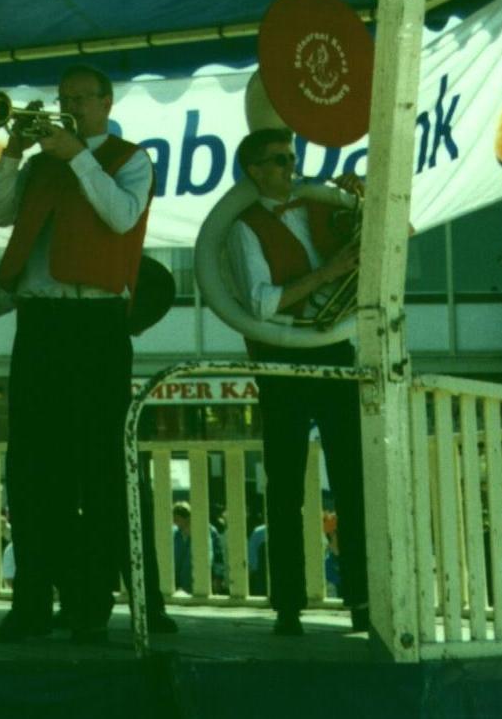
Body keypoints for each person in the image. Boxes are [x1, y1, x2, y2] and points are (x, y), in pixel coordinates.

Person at [0, 65, 152, 644]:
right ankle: (30, 602)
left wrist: (78, 155)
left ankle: (90, 605)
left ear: (107, 102)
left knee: (96, 468)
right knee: (32, 470)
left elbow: (121, 216)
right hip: (41, 323)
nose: (71, 106)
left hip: (97, 324)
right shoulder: (39, 166)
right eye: (64, 98)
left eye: (81, 98)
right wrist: (13, 150)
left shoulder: (131, 159)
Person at [224, 127, 371, 637]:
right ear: (255, 171)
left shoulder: (318, 206)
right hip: (281, 353)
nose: (292, 167)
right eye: (279, 160)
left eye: (291, 157)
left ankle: (362, 598)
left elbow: (393, 239)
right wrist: (328, 273)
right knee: (285, 486)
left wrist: (364, 204)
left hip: (333, 347)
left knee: (352, 477)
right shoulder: (243, 227)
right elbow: (262, 302)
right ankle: (287, 605)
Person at [171, 502, 227, 595]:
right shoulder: (175, 533)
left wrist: (218, 578)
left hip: (201, 583)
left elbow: (218, 557)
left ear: (187, 518)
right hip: (179, 585)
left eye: (177, 519)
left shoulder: (208, 530)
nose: (175, 522)